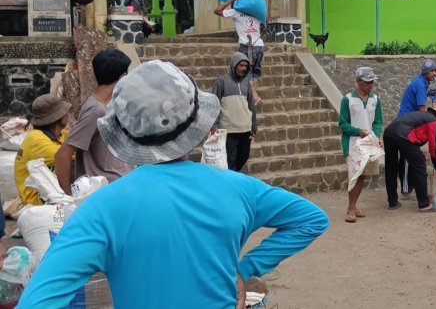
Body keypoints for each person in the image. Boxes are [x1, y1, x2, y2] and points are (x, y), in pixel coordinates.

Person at [18, 60, 330, 308]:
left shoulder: (100, 210)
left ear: (122, 131)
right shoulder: (239, 189)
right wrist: (246, 269)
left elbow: (36, 301)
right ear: (197, 122)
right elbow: (312, 219)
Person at [55, 49, 133, 195]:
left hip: (121, 188)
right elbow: (62, 155)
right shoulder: (96, 111)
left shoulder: (105, 106)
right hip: (108, 192)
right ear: (123, 77)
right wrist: (68, 198)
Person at [383, 102, 436, 212]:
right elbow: (434, 147)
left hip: (389, 132)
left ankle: (392, 202)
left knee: (391, 167)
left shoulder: (422, 116)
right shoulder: (434, 122)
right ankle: (424, 204)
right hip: (403, 135)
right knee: (419, 165)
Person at [338, 66, 383, 223]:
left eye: (372, 82)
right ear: (358, 82)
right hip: (353, 144)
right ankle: (351, 208)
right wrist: (358, 131)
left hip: (368, 144)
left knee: (362, 175)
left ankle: (354, 206)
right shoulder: (347, 100)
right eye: (367, 82)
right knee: (354, 176)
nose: (371, 85)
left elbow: (378, 122)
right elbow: (342, 124)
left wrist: (376, 135)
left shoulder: (375, 99)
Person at [15, 95, 71, 205]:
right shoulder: (36, 139)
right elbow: (69, 155)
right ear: (58, 117)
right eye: (65, 112)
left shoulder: (60, 134)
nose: (68, 113)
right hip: (36, 197)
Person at [395, 58, 436, 197]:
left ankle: (410, 186)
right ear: (425, 72)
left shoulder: (422, 82)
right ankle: (406, 189)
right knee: (407, 156)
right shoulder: (420, 85)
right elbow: (421, 109)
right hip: (406, 124)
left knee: (411, 155)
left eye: (435, 70)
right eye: (431, 71)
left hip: (407, 121)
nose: (434, 73)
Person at [211, 52, 257, 172]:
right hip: (229, 129)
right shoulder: (221, 81)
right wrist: (214, 124)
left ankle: (233, 175)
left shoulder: (247, 83)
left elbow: (251, 104)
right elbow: (214, 104)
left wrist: (254, 124)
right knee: (230, 158)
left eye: (245, 66)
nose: (243, 68)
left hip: (245, 128)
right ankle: (231, 181)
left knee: (244, 155)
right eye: (241, 65)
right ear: (234, 65)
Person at [214, 0, 263, 105]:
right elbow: (265, 20)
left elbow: (217, 11)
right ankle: (253, 97)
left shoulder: (235, 12)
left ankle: (254, 97)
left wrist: (229, 1)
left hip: (247, 46)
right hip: (259, 45)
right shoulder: (256, 13)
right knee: (255, 72)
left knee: (246, 72)